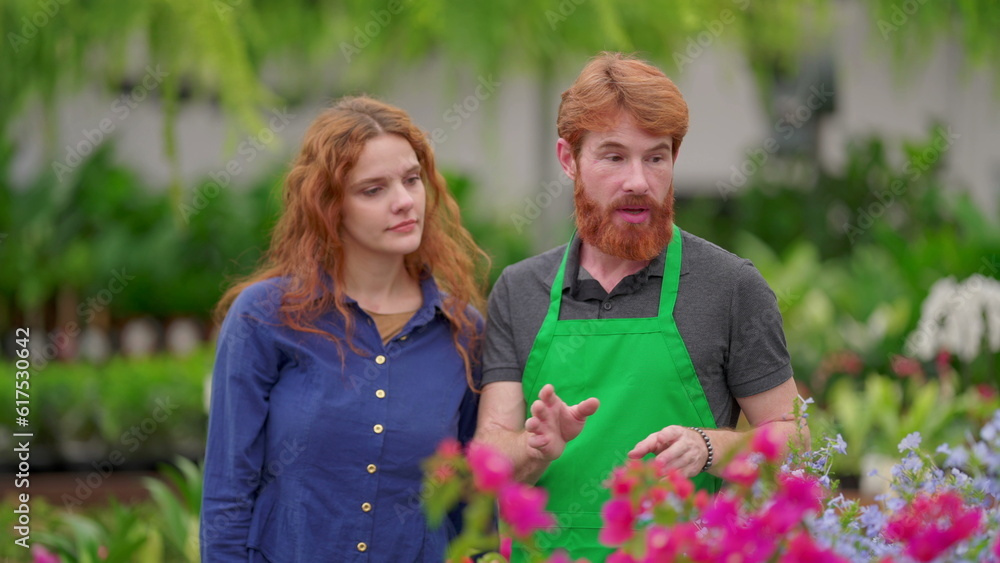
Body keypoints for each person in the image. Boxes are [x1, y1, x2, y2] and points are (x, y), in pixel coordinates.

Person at [474, 52, 809, 561]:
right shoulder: (519, 290)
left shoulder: (730, 287)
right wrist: (535, 446)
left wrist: (710, 447)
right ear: (568, 159)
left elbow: (798, 440)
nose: (639, 181)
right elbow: (488, 456)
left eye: (656, 157)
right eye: (613, 157)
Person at [200, 95, 488, 562]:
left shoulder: (462, 332)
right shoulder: (265, 317)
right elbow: (228, 493)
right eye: (373, 190)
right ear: (330, 207)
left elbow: (472, 504)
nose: (403, 202)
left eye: (412, 180)